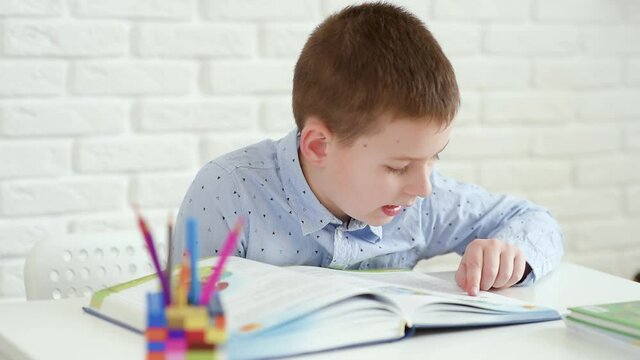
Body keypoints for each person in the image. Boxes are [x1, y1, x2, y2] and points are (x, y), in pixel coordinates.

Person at [173, 2, 563, 296]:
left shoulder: (421, 201)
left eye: (434, 158)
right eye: (397, 167)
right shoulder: (229, 192)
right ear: (318, 146)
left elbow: (535, 220)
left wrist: (512, 253)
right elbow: (186, 323)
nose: (423, 187)